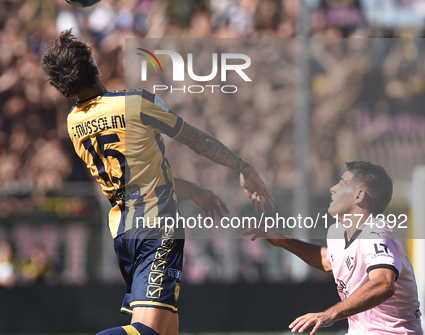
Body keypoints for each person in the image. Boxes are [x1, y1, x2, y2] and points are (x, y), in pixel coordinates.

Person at [41, 29, 274, 335]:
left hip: (125, 233)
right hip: (158, 227)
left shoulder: (75, 124)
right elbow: (195, 139)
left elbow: (141, 177)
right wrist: (243, 166)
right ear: (93, 64)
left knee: (165, 331)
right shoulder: (136, 103)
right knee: (147, 332)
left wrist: (195, 192)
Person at [245, 161, 422, 335]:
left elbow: (383, 284)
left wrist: (329, 314)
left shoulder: (375, 234)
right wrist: (283, 241)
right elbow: (330, 261)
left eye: (342, 183)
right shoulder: (338, 232)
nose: (333, 188)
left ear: (359, 196)